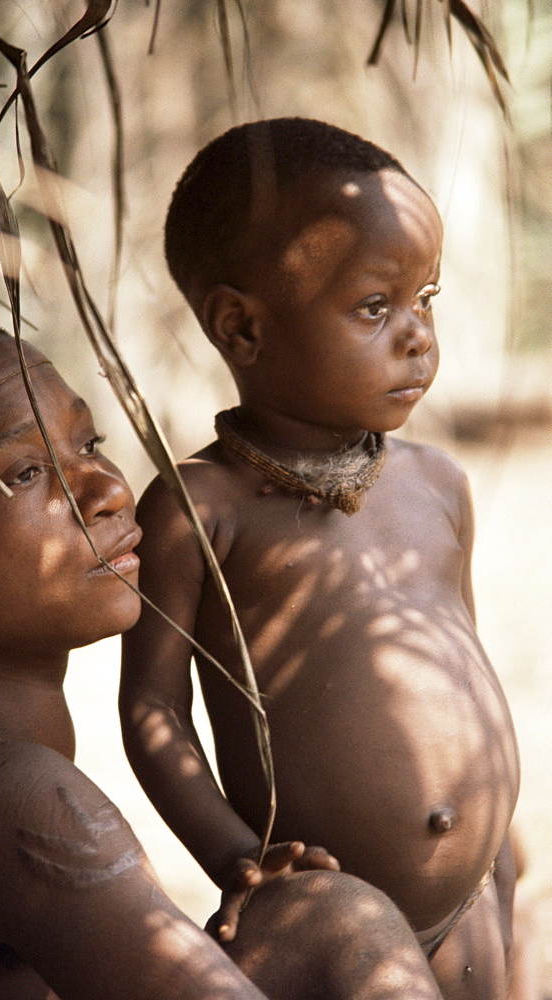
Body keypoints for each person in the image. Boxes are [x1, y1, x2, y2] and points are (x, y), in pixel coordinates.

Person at [0, 320, 445, 1000]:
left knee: (324, 918)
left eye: (88, 443)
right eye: (27, 472)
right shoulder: (9, 796)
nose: (109, 491)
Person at [119, 118, 521, 1000]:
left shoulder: (437, 483)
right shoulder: (201, 510)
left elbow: (460, 660)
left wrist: (505, 840)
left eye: (427, 298)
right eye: (376, 307)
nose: (417, 335)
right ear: (241, 328)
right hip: (341, 923)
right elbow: (153, 711)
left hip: (481, 896)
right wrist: (236, 856)